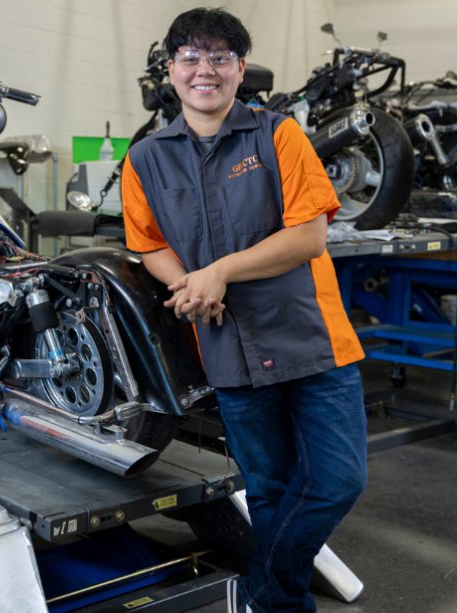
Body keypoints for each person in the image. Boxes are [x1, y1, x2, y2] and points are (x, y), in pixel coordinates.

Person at [121, 8, 368, 613]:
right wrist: (189, 285)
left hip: (313, 339)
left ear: (239, 70)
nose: (205, 70)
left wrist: (219, 272)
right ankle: (281, 606)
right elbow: (148, 244)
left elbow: (309, 236)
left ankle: (261, 588)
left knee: (338, 482)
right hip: (228, 346)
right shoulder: (145, 159)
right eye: (191, 58)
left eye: (221, 58)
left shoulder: (277, 135)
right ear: (171, 70)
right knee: (266, 489)